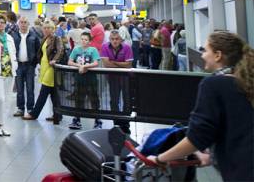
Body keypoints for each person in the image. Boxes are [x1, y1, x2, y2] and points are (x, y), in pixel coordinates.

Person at [149, 31, 253, 181]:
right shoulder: (246, 83)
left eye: (205, 50)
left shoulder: (214, 85)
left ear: (218, 55)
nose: (202, 55)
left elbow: (196, 138)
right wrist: (211, 155)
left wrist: (160, 159)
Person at [24, 21, 66, 124]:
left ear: (53, 29)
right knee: (53, 93)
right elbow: (41, 54)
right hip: (44, 67)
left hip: (51, 68)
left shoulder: (57, 38)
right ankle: (58, 115)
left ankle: (34, 114)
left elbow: (60, 50)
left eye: (49, 28)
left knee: (43, 92)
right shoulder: (45, 39)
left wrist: (55, 60)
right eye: (45, 28)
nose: (46, 30)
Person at [100, 29, 133, 132]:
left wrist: (113, 62)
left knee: (127, 101)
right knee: (114, 100)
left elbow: (129, 65)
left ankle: (126, 124)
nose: (115, 41)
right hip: (112, 77)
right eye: (112, 39)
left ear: (121, 39)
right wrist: (121, 64)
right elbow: (106, 64)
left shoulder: (127, 47)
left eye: (117, 39)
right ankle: (117, 123)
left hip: (125, 77)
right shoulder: (105, 46)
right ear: (109, 39)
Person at [0, 14, 17, 136]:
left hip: (9, 71)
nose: (0, 24)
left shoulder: (9, 38)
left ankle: (2, 125)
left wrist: (15, 65)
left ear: (6, 24)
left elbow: (13, 53)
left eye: (2, 22)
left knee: (7, 100)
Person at [68, 30, 101, 131]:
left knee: (94, 99)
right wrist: (79, 66)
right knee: (79, 99)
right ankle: (77, 119)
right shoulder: (76, 49)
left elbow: (96, 63)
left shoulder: (93, 50)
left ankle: (97, 120)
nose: (83, 41)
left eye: (86, 40)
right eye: (82, 39)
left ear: (89, 41)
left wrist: (86, 66)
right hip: (79, 78)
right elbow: (70, 62)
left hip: (91, 79)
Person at [11, 16, 41, 117]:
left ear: (28, 24)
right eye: (21, 22)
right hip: (18, 66)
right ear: (19, 24)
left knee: (30, 88)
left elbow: (38, 51)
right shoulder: (14, 35)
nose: (23, 24)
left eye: (25, 22)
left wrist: (34, 63)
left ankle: (30, 108)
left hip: (30, 66)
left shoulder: (34, 35)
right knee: (19, 89)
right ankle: (20, 108)